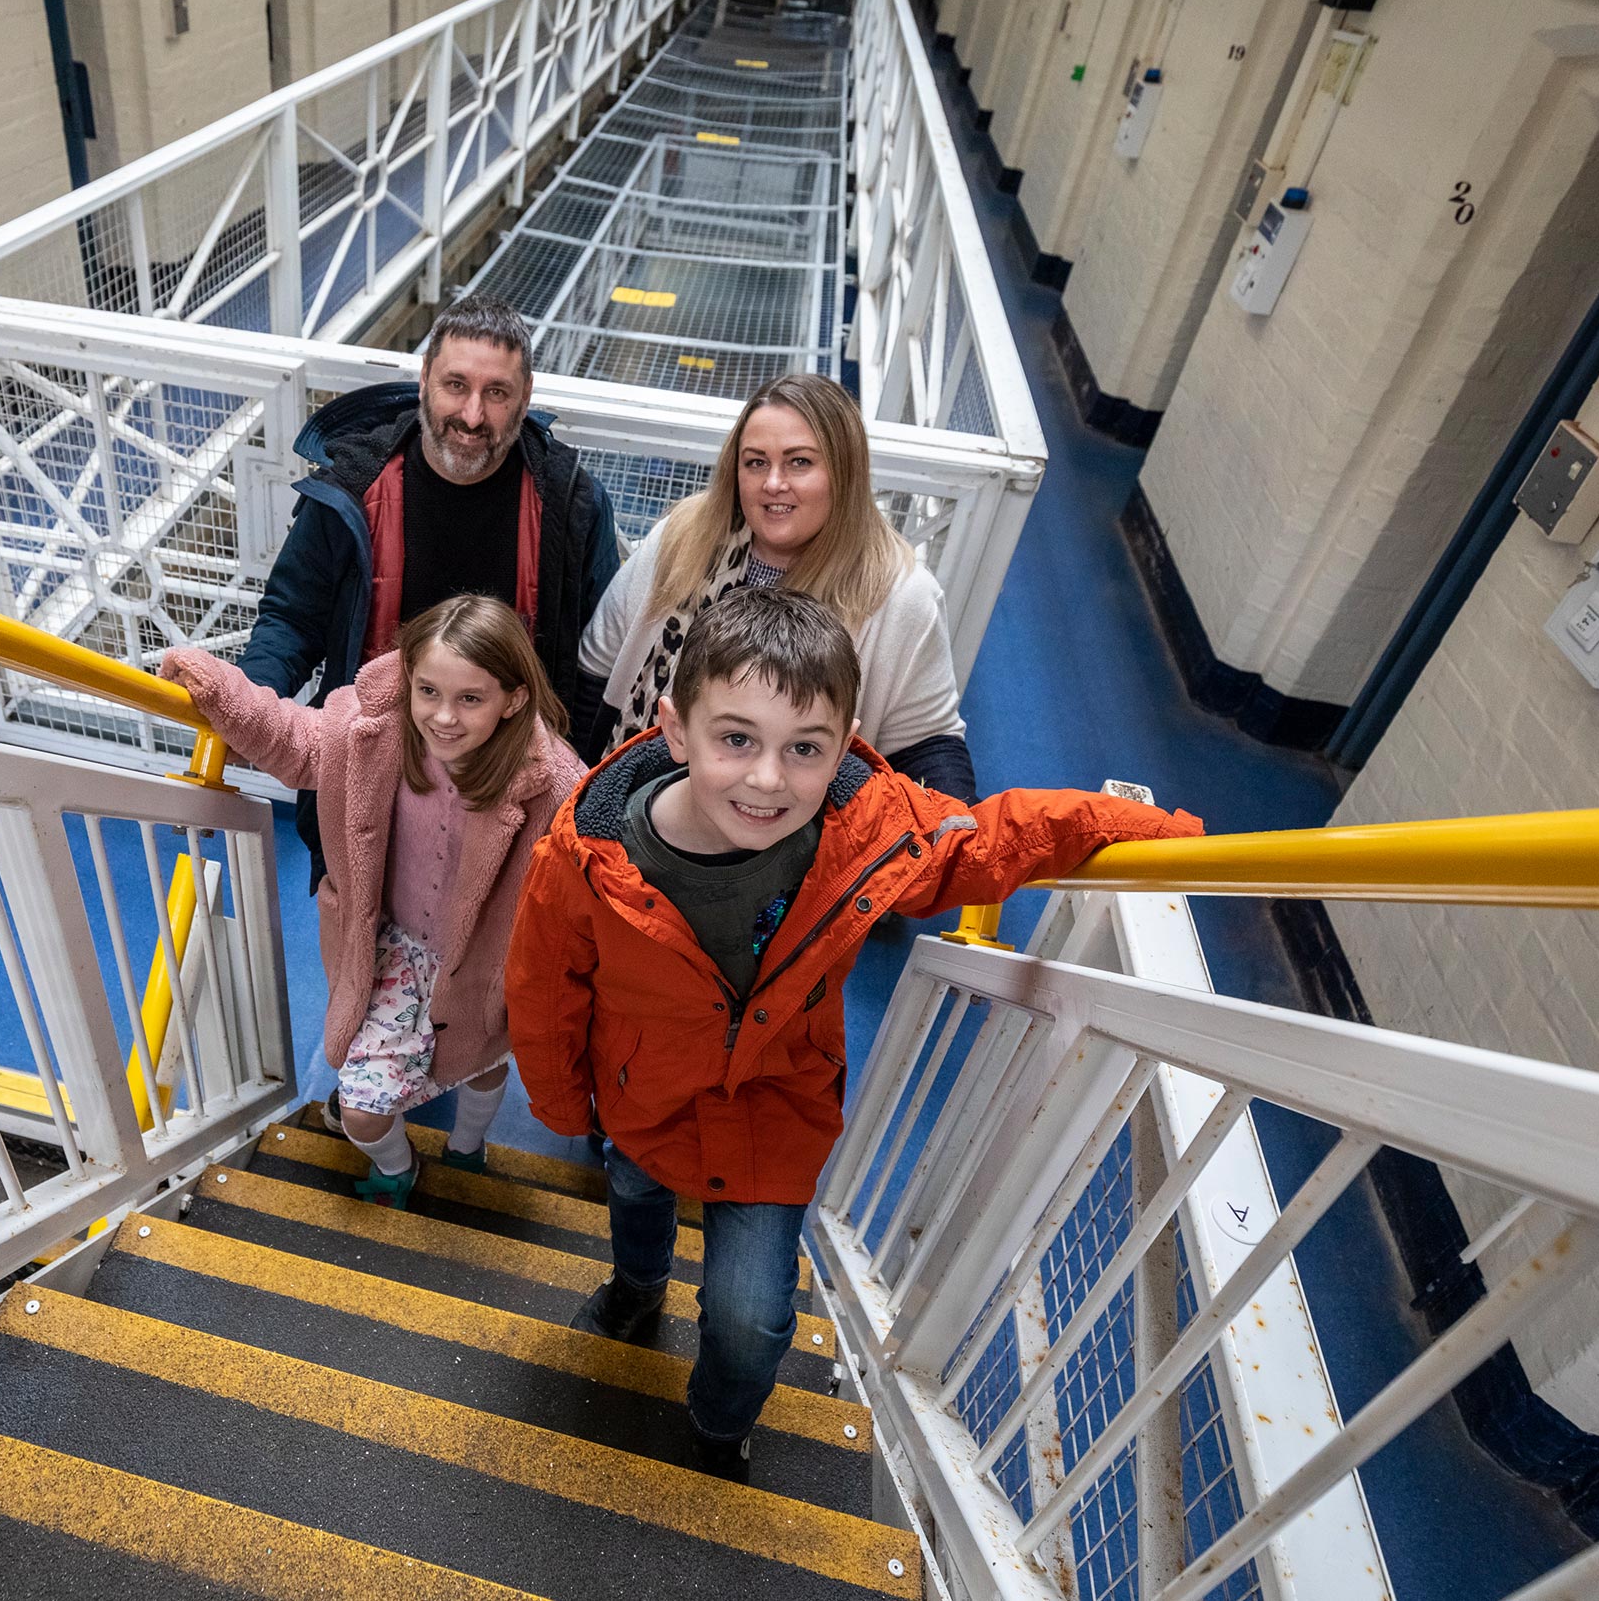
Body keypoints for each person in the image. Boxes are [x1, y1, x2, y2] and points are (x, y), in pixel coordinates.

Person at [506, 588, 1202, 1480]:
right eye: (736, 739)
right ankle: (635, 1291)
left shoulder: (859, 825)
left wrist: (1149, 838)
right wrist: (566, 1099)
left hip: (773, 1109)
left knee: (752, 1319)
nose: (767, 780)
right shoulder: (588, 854)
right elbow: (544, 988)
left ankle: (718, 1424)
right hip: (643, 1092)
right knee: (635, 1198)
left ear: (845, 742)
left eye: (804, 749)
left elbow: (984, 839)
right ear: (675, 730)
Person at [164, 595, 584, 1205]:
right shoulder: (371, 733)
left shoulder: (553, 783)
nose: (443, 716)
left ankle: (469, 1149)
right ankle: (400, 1166)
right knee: (362, 1111)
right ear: (407, 679)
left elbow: (592, 874)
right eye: (428, 691)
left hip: (486, 961)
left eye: (471, 698)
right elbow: (290, 736)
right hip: (394, 947)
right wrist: (214, 684)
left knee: (485, 1056)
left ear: (514, 699)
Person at [236, 294, 621, 879]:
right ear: (423, 381)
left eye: (496, 393)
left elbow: (597, 657)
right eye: (456, 386)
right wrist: (252, 698)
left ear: (526, 398)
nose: (471, 416)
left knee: (486, 950)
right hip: (373, 774)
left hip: (507, 793)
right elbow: (293, 616)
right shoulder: (354, 491)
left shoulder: (570, 506)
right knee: (357, 934)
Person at [578, 372, 978, 802]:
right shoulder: (682, 538)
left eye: (799, 462)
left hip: (785, 830)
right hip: (641, 803)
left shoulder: (900, 594)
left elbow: (929, 752)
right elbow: (594, 673)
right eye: (756, 462)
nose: (773, 483)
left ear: (844, 473)